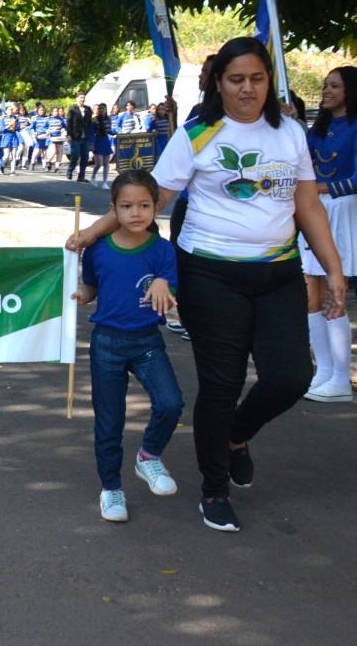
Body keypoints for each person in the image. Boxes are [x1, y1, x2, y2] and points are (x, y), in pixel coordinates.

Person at [68, 37, 345, 533]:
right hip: (210, 274)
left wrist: (334, 268)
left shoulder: (291, 134)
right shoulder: (198, 133)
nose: (247, 89)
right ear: (219, 83)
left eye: (257, 79)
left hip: (277, 272)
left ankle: (236, 436)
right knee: (223, 383)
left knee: (290, 377)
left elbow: (307, 206)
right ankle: (214, 488)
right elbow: (146, 200)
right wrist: (92, 232)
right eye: (236, 79)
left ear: (269, 81)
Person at [71, 170, 183, 522]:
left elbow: (170, 287)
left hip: (147, 341)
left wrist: (166, 286)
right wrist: (82, 295)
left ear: (155, 208)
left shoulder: (163, 250)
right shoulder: (98, 250)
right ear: (113, 210)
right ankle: (111, 490)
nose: (136, 213)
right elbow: (92, 288)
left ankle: (148, 457)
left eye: (144, 205)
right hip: (106, 343)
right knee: (109, 423)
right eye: (127, 206)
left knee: (170, 403)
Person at [301, 66, 357, 402]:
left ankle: (340, 379)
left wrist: (320, 188)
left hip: (342, 209)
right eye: (324, 85)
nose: (326, 90)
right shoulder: (317, 128)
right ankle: (322, 370)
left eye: (334, 86)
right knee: (312, 292)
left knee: (336, 294)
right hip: (315, 209)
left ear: (350, 90)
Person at [66, 92, 92, 182]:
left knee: (85, 157)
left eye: (84, 97)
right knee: (75, 155)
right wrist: (68, 135)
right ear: (76, 99)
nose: (82, 99)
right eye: (81, 97)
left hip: (85, 137)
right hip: (75, 136)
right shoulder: (72, 109)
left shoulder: (88, 109)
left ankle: (81, 176)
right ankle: (70, 170)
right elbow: (69, 123)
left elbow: (89, 122)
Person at [89, 103, 113, 189]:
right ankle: (93, 176)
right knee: (99, 163)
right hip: (98, 141)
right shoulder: (94, 120)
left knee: (106, 164)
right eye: (100, 108)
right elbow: (91, 132)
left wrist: (115, 133)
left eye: (104, 108)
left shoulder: (108, 119)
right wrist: (91, 144)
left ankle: (105, 182)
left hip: (106, 141)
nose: (102, 110)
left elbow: (109, 130)